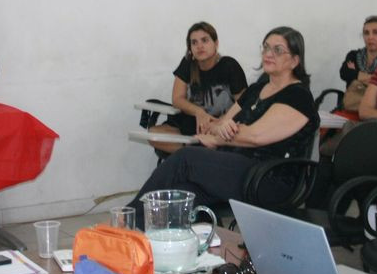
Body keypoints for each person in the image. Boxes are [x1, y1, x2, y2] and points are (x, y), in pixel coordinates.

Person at [129, 26, 319, 228]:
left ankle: (126, 222)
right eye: (266, 48)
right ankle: (141, 240)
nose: (269, 54)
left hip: (268, 178)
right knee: (180, 194)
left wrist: (220, 135)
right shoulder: (256, 90)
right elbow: (221, 123)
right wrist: (219, 127)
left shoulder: (298, 96)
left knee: (186, 158)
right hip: (237, 166)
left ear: (295, 60)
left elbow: (255, 136)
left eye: (278, 50)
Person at [149, 22, 247, 154]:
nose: (199, 46)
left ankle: (194, 151)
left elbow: (244, 103)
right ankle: (196, 150)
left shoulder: (229, 65)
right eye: (194, 42)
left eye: (205, 40)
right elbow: (177, 99)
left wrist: (220, 122)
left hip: (220, 126)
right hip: (193, 124)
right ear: (190, 48)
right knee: (154, 134)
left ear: (216, 44)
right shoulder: (187, 64)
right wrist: (199, 112)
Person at [339, 15, 377, 88]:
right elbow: (344, 73)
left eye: (376, 32)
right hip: (352, 98)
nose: (370, 37)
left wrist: (356, 75)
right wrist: (376, 79)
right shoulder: (353, 55)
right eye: (366, 33)